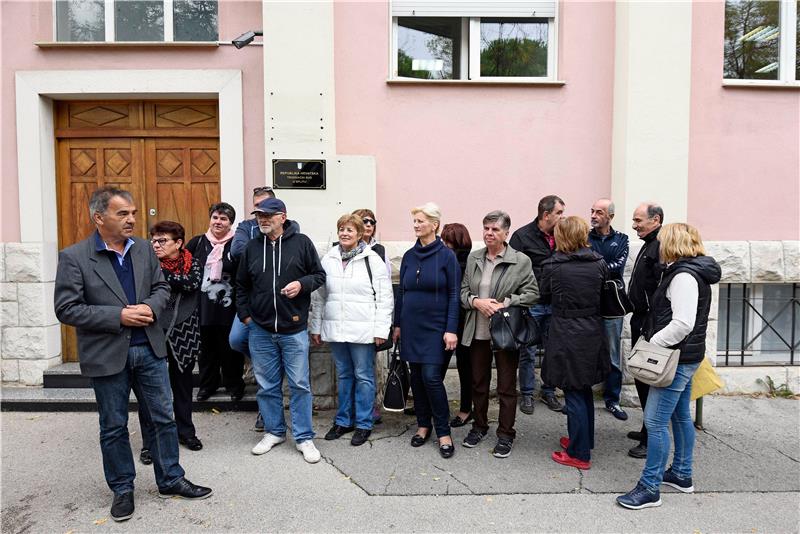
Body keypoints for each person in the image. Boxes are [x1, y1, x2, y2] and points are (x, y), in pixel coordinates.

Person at [54, 187, 211, 522]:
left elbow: (162, 288)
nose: (132, 220)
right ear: (99, 217)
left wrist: (150, 308)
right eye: (123, 214)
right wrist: (118, 316)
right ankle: (123, 488)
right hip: (107, 354)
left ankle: (170, 478)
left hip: (150, 350)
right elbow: (66, 308)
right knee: (113, 425)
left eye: (134, 213)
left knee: (163, 418)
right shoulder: (74, 257)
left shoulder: (142, 249)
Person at [617, 223, 721, 509]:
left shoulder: (684, 276)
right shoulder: (688, 271)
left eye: (662, 241)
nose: (659, 247)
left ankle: (650, 487)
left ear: (672, 243)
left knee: (655, 421)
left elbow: (682, 324)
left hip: (675, 358)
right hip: (686, 356)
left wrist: (652, 343)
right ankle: (681, 474)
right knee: (679, 417)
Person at [236, 197, 326, 463]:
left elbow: (319, 276)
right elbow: (241, 286)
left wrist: (302, 284)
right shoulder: (252, 247)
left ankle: (303, 437)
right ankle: (274, 432)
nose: (262, 220)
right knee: (267, 385)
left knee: (299, 384)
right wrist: (246, 317)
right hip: (260, 329)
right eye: (259, 216)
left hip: (294, 328)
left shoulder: (302, 243)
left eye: (268, 215)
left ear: (282, 217)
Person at [460, 211, 539, 458]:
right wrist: (475, 302)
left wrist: (505, 303)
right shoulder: (474, 258)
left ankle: (505, 434)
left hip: (505, 331)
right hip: (478, 331)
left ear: (506, 233)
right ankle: (479, 426)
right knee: (478, 384)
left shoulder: (520, 260)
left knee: (506, 386)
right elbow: (462, 293)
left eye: (495, 229)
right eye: (486, 228)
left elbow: (532, 293)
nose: (489, 233)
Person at [310, 214, 393, 446]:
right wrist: (316, 326)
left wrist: (381, 329)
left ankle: (364, 423)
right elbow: (319, 297)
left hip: (363, 329)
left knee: (364, 376)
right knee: (344, 375)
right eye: (341, 230)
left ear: (359, 234)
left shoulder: (371, 259)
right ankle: (343, 420)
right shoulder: (329, 259)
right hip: (336, 328)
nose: (345, 234)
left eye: (350, 230)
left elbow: (385, 297)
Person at [540, 216, 610, 470]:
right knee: (583, 390)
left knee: (573, 391)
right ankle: (583, 440)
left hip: (567, 330)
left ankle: (579, 454)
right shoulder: (599, 262)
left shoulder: (553, 265)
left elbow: (544, 294)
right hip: (592, 329)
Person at [393, 202, 460, 459]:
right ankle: (423, 425)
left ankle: (443, 431)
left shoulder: (447, 256)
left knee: (432, 377)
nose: (416, 225)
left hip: (436, 327)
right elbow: (403, 292)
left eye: (421, 221)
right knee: (417, 378)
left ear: (434, 225)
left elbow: (454, 295)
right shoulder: (409, 256)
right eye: (415, 221)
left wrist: (451, 329)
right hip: (411, 326)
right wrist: (398, 325)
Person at [139, 221, 204, 467]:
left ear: (178, 243)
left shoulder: (192, 262)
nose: (156, 245)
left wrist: (165, 276)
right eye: (153, 240)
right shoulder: (145, 264)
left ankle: (185, 432)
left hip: (184, 331)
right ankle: (150, 443)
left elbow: (191, 284)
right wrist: (172, 278)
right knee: (149, 392)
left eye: (162, 240)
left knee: (182, 386)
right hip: (151, 330)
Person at [509, 195, 566, 413]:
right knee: (528, 350)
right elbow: (512, 270)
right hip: (531, 304)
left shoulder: (563, 235)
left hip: (556, 303)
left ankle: (549, 391)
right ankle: (527, 394)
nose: (562, 217)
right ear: (546, 214)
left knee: (553, 350)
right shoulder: (522, 236)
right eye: (559, 213)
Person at [187, 202, 245, 402]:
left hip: (230, 307)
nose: (218, 222)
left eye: (224, 219)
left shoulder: (237, 244)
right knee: (206, 351)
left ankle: (234, 385)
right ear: (210, 219)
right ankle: (207, 386)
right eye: (215, 217)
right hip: (203, 308)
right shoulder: (197, 243)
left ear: (230, 223)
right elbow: (186, 270)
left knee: (230, 350)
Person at [626, 202, 664, 458]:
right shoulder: (649, 244)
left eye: (639, 220)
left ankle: (650, 437)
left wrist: (651, 318)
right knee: (641, 378)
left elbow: (660, 288)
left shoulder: (660, 246)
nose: (634, 225)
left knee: (648, 379)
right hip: (640, 318)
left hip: (649, 322)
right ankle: (646, 427)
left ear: (656, 220)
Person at [588, 198, 630, 421]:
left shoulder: (621, 239)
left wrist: (593, 265)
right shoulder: (584, 238)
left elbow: (617, 267)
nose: (594, 215)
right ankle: (583, 400)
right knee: (586, 354)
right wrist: (598, 266)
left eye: (599, 212)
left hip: (612, 305)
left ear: (610, 217)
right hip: (589, 304)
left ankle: (613, 400)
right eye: (592, 211)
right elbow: (582, 263)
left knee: (613, 356)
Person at [441, 222, 474, 427]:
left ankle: (465, 409)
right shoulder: (444, 259)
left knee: (465, 366)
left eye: (448, 241)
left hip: (465, 321)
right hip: (445, 320)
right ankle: (429, 403)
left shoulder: (470, 262)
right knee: (438, 365)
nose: (444, 244)